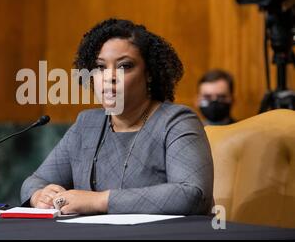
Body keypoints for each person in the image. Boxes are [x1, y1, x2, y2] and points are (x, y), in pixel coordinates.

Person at [21, 19, 214, 215]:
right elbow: (35, 181)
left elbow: (192, 194)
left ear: (149, 74)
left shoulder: (176, 121)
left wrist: (98, 201)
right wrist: (39, 196)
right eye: (100, 67)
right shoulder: (87, 124)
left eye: (124, 66)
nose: (109, 76)